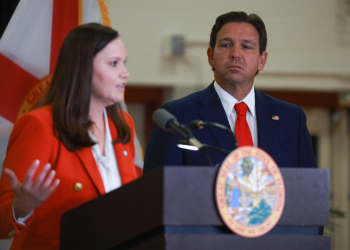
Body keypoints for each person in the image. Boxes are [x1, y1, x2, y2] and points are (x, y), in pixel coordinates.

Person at [0, 23, 138, 249]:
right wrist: (22, 207)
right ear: (83, 68)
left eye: (124, 63)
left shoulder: (123, 124)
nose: (125, 72)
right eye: (114, 63)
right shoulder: (40, 126)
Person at [144, 11, 317, 174]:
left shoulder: (291, 118)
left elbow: (309, 189)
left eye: (246, 46)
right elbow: (156, 194)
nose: (235, 54)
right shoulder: (177, 117)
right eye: (226, 45)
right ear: (211, 56)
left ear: (261, 60)